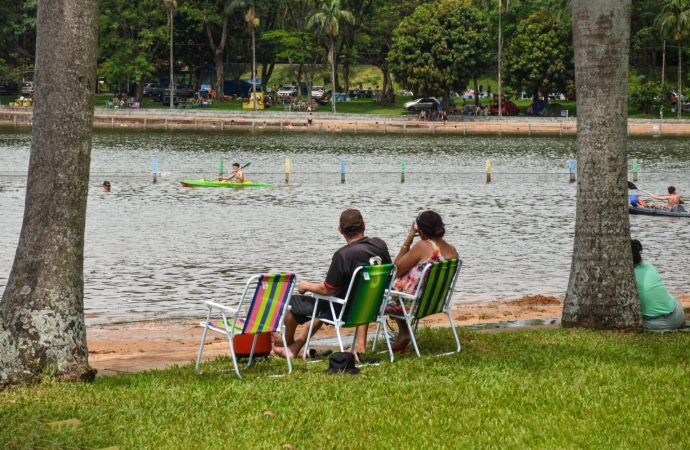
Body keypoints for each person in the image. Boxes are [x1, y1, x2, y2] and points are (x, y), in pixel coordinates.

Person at [272, 209, 391, 358]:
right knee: (325, 303)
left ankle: (288, 345)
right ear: (364, 226)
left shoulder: (343, 255)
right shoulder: (380, 245)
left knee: (290, 303)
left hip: (345, 313)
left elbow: (327, 290)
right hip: (371, 307)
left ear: (340, 229)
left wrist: (306, 286)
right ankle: (294, 347)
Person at [386, 211, 458, 352]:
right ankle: (403, 334)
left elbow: (395, 270)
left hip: (412, 305)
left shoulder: (423, 246)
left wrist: (408, 241)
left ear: (422, 232)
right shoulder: (452, 250)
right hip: (435, 303)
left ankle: (404, 333)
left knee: (390, 296)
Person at [631, 239, 686, 331]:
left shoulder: (627, 276)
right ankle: (680, 325)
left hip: (655, 325)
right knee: (673, 300)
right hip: (677, 315)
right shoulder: (649, 266)